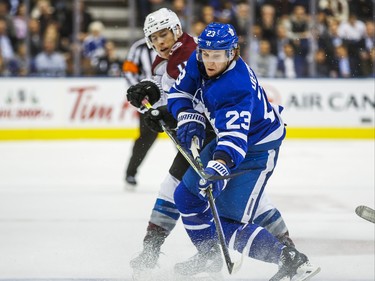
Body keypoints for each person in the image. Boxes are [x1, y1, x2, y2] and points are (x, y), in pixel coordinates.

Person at [126, 9, 296, 276]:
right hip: (213, 134)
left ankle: (165, 252)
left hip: (214, 137)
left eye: (164, 34)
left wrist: (168, 113)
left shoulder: (192, 56)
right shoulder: (186, 55)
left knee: (176, 191)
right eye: (154, 37)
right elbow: (180, 90)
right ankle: (287, 250)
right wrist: (153, 91)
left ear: (177, 30)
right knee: (253, 199)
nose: (160, 42)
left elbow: (202, 103)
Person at [167, 23, 320, 280]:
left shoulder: (234, 87)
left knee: (226, 223)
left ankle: (290, 259)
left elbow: (234, 139)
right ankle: (209, 257)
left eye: (217, 55)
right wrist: (187, 115)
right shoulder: (198, 59)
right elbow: (179, 92)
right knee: (186, 196)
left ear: (233, 53)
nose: (209, 61)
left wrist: (220, 165)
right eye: (206, 53)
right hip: (229, 140)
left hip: (256, 148)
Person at [122, 37, 157, 186]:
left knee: (184, 136)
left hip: (175, 99)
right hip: (148, 102)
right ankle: (131, 172)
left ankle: (190, 173)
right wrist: (139, 93)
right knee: (146, 138)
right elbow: (128, 71)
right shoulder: (140, 47)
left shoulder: (178, 45)